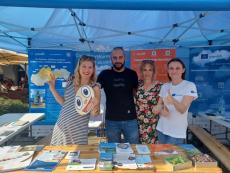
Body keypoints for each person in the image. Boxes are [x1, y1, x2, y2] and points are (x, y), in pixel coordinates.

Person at [48, 55, 101, 145]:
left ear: (93, 70)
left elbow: (94, 113)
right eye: (84, 66)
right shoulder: (70, 82)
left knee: (77, 158)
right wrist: (52, 88)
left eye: (90, 67)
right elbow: (64, 103)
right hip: (60, 128)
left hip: (78, 133)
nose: (86, 70)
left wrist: (95, 104)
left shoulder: (94, 87)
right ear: (79, 67)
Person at [97, 47, 139, 144]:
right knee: (113, 150)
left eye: (120, 57)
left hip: (131, 119)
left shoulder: (132, 74)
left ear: (124, 58)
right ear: (111, 59)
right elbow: (97, 87)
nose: (117, 60)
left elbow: (136, 93)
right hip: (111, 121)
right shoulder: (104, 74)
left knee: (134, 149)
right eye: (114, 58)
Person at [156, 58, 198, 144]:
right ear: (168, 70)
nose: (174, 71)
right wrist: (161, 111)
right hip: (161, 128)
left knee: (171, 157)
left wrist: (173, 100)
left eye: (177, 68)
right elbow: (159, 105)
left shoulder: (189, 86)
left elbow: (182, 110)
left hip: (176, 132)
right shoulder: (165, 86)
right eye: (171, 68)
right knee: (162, 156)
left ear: (183, 70)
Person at [135, 60, 162, 144]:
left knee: (151, 150)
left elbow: (163, 104)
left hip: (151, 125)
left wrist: (160, 107)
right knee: (137, 149)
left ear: (153, 71)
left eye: (150, 70)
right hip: (136, 123)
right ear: (141, 71)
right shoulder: (137, 84)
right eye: (145, 70)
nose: (147, 72)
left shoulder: (159, 86)